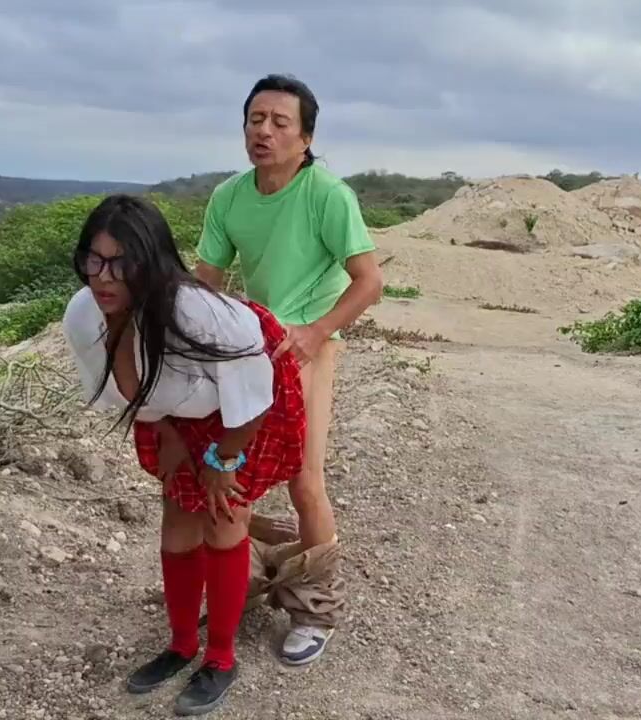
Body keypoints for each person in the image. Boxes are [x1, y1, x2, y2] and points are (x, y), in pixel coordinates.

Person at [61, 194, 308, 716]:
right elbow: (133, 393)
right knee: (178, 521)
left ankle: (221, 657)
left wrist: (222, 462)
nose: (103, 277)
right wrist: (169, 432)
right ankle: (180, 644)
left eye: (120, 262)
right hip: (181, 408)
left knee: (222, 517)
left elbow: (253, 401)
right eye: (94, 260)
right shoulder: (85, 316)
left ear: (150, 262)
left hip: (243, 403)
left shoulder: (201, 319)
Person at [194, 73, 384, 666]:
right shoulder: (229, 197)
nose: (265, 131)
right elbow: (207, 280)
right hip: (251, 348)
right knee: (229, 470)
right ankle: (244, 580)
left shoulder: (327, 195)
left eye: (280, 122)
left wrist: (316, 332)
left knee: (303, 479)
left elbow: (369, 281)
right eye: (256, 119)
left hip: (308, 348)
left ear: (306, 138)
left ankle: (315, 607)